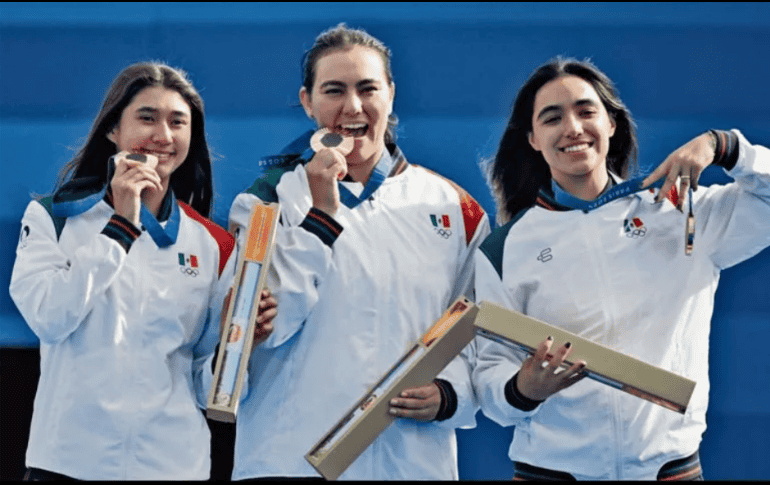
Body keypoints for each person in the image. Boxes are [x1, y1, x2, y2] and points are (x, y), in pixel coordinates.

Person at [472, 56, 770, 480]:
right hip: (553, 472)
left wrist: (723, 146)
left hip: (668, 469)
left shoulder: (678, 212)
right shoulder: (504, 249)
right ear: (533, 139)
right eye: (552, 118)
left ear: (611, 123)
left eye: (586, 111)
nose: (573, 128)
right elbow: (489, 375)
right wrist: (523, 389)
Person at [226, 23, 490, 480]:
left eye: (368, 88)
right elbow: (263, 328)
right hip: (288, 462)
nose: (352, 107)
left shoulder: (455, 209)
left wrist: (451, 394)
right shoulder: (264, 203)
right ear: (308, 101)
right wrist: (320, 217)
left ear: (391, 94)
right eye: (334, 90)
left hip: (413, 464)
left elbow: (476, 333)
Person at [9, 61, 276, 480]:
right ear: (113, 130)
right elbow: (49, 317)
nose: (163, 136)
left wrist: (238, 344)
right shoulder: (54, 217)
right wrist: (120, 226)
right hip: (68, 463)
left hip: (172, 466)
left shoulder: (214, 244)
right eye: (147, 118)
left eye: (178, 122)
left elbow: (209, 391)